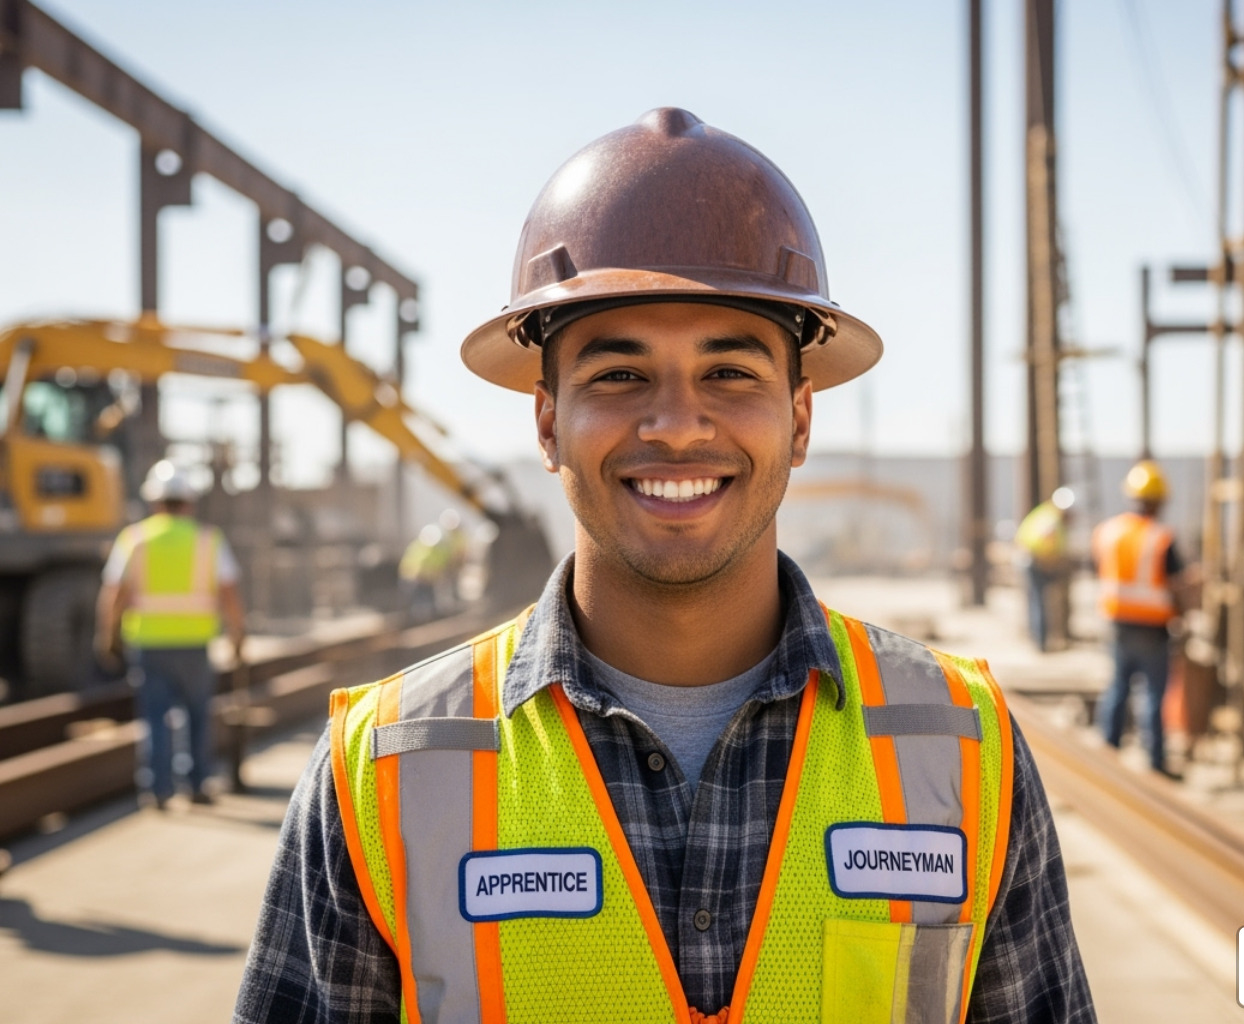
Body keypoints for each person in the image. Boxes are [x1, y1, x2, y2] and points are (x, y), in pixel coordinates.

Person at [234, 108, 1094, 1024]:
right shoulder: (386, 769)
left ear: (799, 422)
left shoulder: (962, 746)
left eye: (730, 374)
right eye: (618, 375)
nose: (678, 424)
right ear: (548, 422)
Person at [95, 459, 245, 808]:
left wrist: (108, 634)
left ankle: (158, 791)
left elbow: (113, 593)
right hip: (194, 643)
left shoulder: (134, 539)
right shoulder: (209, 540)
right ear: (189, 501)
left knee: (155, 719)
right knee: (197, 716)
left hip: (148, 643)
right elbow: (228, 593)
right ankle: (197, 785)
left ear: (154, 501)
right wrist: (238, 632)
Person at [1091, 461, 1184, 779]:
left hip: (1117, 621)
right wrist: (1184, 614)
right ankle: (1155, 761)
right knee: (1154, 695)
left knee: (1117, 687)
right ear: (1159, 500)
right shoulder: (1161, 537)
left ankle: (1108, 751)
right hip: (1153, 626)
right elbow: (1176, 584)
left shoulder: (1108, 531)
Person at [1015, 488, 1074, 651]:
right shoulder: (1051, 519)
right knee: (1040, 602)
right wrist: (1051, 561)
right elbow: (1046, 540)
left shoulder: (1044, 513)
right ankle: (1041, 642)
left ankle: (1039, 639)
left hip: (1031, 558)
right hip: (1036, 560)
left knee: (1036, 600)